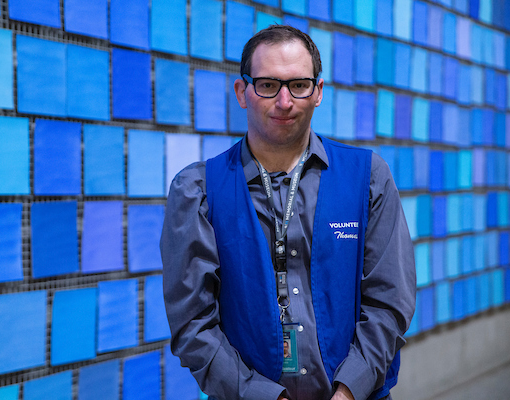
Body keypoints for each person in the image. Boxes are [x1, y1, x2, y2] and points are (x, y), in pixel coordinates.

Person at [161, 25, 416, 400]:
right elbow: (193, 325)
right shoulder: (198, 191)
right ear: (242, 92)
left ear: (318, 92)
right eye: (267, 85)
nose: (284, 101)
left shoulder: (367, 177)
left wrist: (349, 390)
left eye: (299, 85)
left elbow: (389, 299)